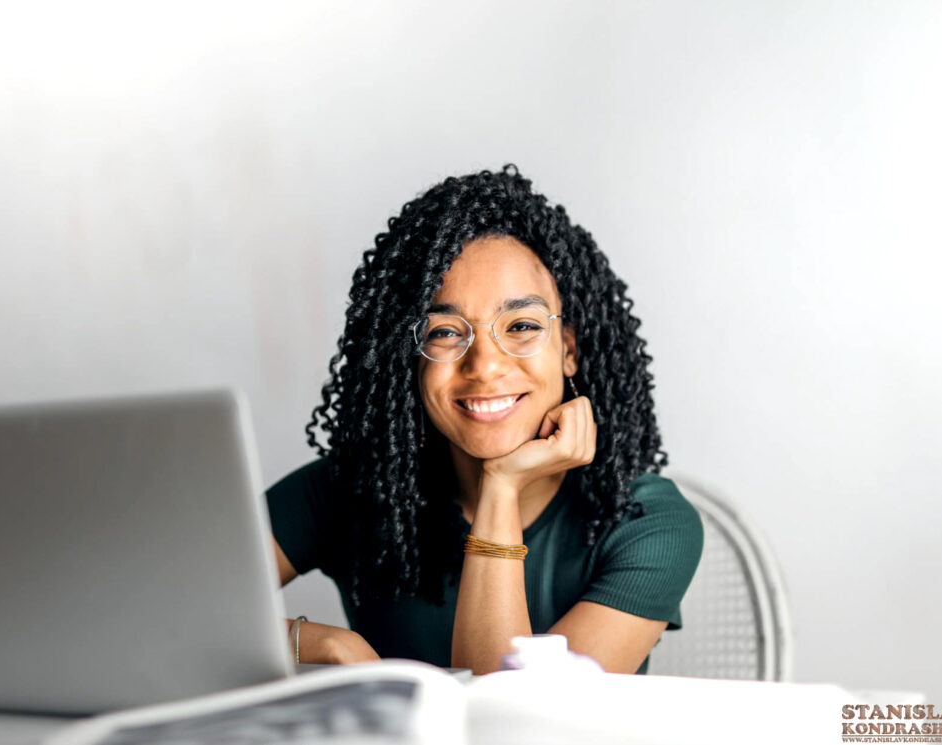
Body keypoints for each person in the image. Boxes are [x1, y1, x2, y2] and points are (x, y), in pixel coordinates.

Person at [267, 165, 704, 675]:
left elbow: (514, 722)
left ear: (569, 349)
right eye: (446, 333)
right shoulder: (351, 490)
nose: (486, 365)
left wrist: (502, 486)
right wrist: (322, 644)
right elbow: (162, 612)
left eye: (521, 325)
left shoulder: (645, 521)